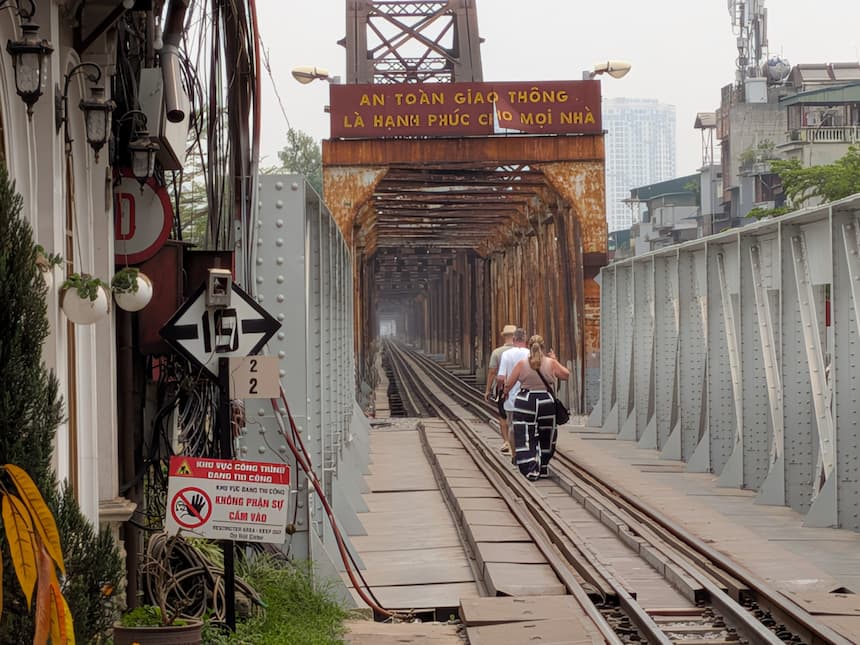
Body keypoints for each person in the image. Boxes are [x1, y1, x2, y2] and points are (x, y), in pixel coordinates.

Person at [504, 334, 570, 481]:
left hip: (526, 401)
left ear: (529, 346)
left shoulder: (522, 363)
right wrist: (554, 359)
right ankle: (544, 467)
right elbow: (565, 375)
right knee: (547, 434)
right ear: (543, 347)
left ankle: (531, 467)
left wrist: (505, 393)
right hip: (546, 402)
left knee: (525, 434)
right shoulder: (551, 363)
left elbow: (509, 384)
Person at [495, 328, 529, 457]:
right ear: (525, 339)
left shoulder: (507, 355)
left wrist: (503, 390)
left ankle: (514, 454)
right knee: (527, 424)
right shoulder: (530, 354)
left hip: (511, 396)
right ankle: (526, 451)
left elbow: (501, 377)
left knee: (512, 425)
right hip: (527, 395)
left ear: (514, 340)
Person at [485, 324, 516, 453]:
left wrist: (487, 390)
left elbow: (492, 372)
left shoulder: (497, 352)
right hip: (519, 387)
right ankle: (518, 442)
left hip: (502, 388)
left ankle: (506, 442)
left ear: (504, 336)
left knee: (503, 416)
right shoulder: (522, 351)